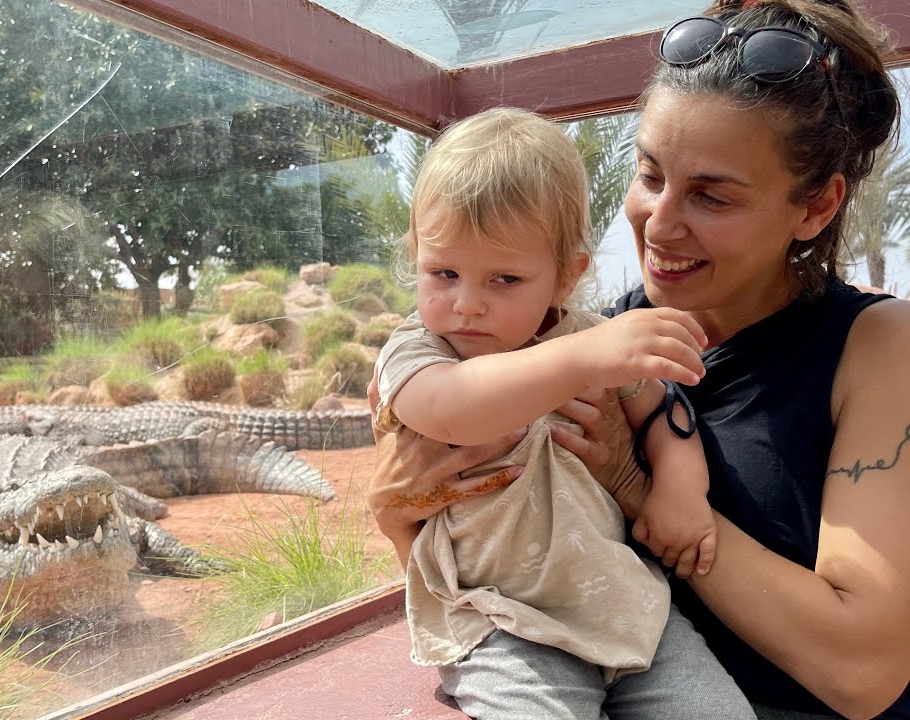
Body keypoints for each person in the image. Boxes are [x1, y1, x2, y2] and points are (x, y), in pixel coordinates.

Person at [367, 1, 910, 718]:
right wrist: (400, 513)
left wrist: (630, 479)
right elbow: (500, 567)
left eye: (711, 195)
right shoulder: (593, 339)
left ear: (815, 208)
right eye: (650, 175)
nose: (659, 221)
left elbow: (862, 671)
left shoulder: (878, 347)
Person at [372, 106, 751, 719]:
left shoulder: (589, 337)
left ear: (565, 277)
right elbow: (452, 410)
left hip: (626, 604)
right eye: (443, 272)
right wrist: (582, 360)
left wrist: (681, 491)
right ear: (415, 255)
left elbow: (666, 414)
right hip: (500, 621)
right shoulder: (419, 349)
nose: (466, 305)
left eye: (504, 279)